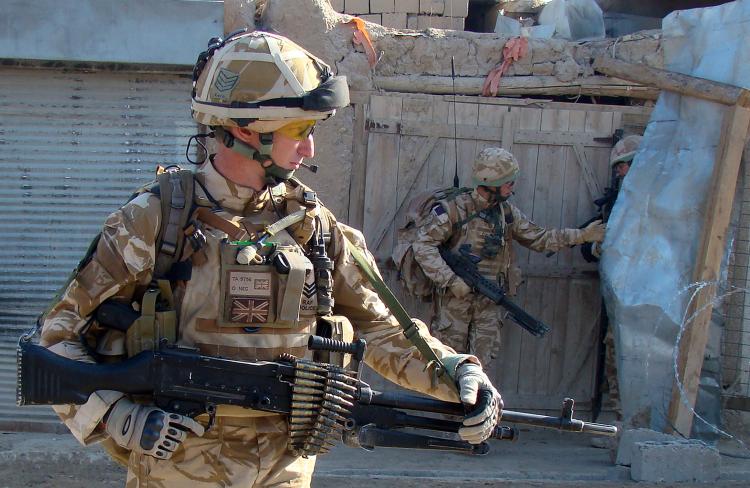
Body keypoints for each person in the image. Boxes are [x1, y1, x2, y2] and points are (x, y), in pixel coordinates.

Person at [39, 31, 501, 487]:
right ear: (244, 129)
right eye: (298, 131)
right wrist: (117, 416)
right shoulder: (156, 220)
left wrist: (454, 372)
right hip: (179, 471)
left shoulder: (312, 225)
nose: (309, 148)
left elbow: (379, 328)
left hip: (286, 469)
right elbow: (56, 338)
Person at [411, 147, 606, 370]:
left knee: (478, 371)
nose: (512, 187)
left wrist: (582, 236)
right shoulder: (454, 210)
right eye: (508, 182)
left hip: (489, 304)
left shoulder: (507, 213)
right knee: (446, 366)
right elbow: (423, 245)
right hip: (454, 305)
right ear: (491, 182)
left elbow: (540, 239)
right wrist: (452, 280)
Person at [580, 134, 642, 263]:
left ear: (636, 163)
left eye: (621, 167)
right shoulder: (627, 192)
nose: (618, 173)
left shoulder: (646, 194)